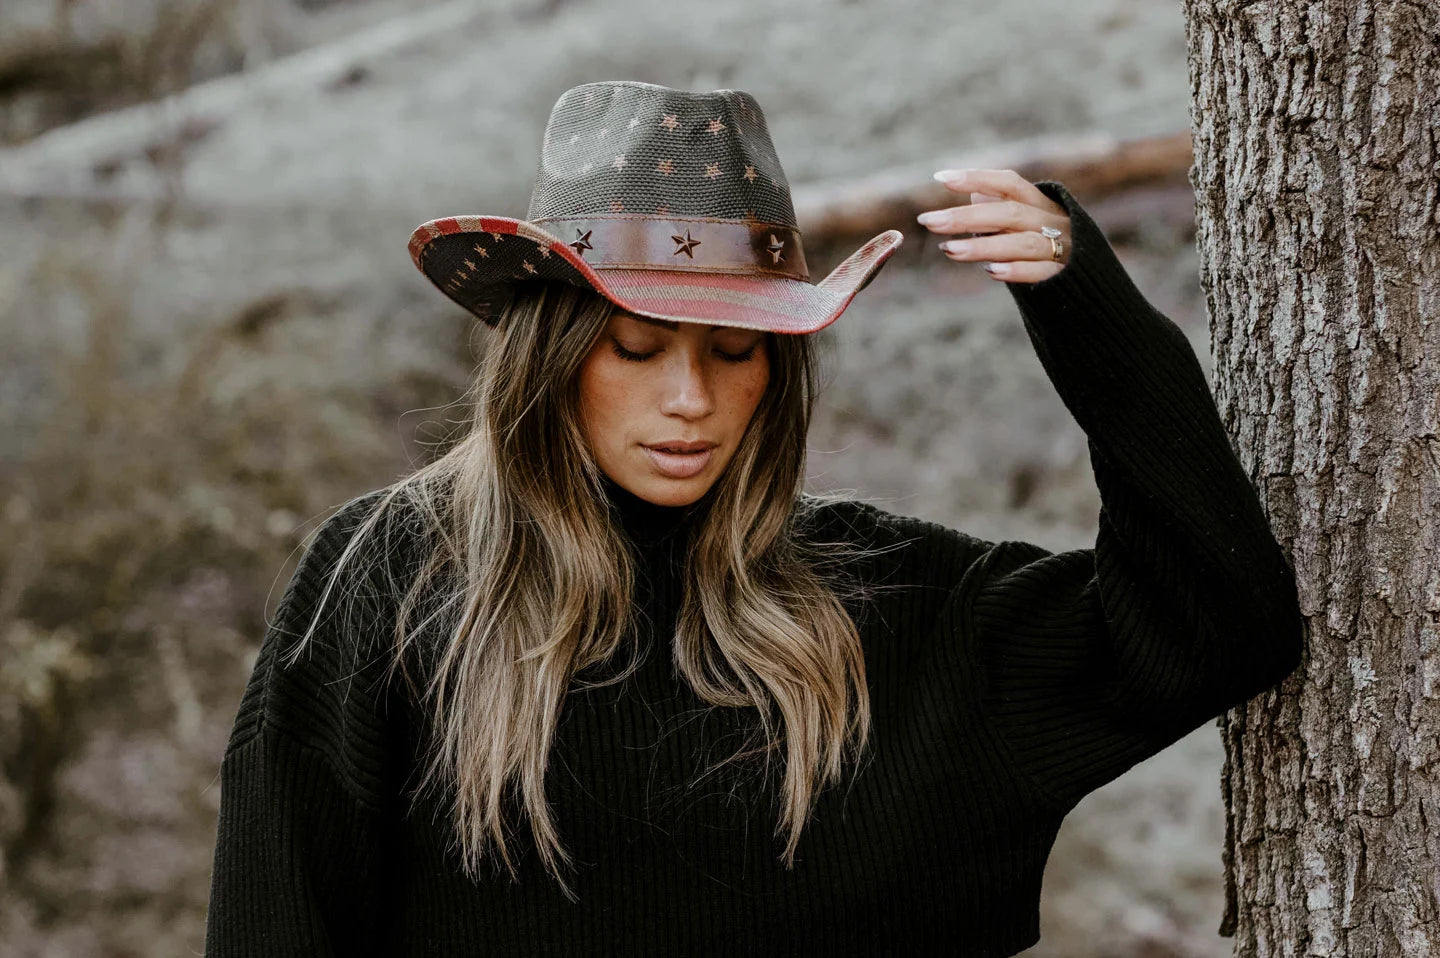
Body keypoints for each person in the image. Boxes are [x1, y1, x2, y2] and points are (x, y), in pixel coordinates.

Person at [203, 80, 1306, 957]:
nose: (692, 399)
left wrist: (1085, 311)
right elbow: (276, 919)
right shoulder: (394, 574)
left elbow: (1219, 622)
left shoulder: (881, 597)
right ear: (548, 358)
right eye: (636, 351)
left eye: (736, 353)